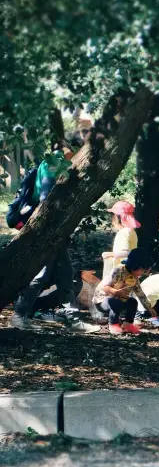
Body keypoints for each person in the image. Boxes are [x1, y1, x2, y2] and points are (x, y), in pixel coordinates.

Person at [11, 140, 80, 331]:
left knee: (65, 272)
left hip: (54, 230)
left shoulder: (61, 163)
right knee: (41, 273)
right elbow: (45, 198)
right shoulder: (54, 161)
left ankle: (72, 318)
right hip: (46, 230)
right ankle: (19, 315)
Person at [93, 248, 158, 335]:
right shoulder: (118, 271)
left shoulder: (134, 278)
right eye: (142, 271)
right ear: (135, 267)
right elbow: (105, 287)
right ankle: (113, 324)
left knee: (133, 302)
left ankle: (128, 324)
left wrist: (149, 308)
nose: (142, 274)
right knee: (114, 302)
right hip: (102, 301)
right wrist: (115, 292)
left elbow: (140, 294)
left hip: (120, 300)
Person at [102, 201, 140, 269]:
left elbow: (125, 253)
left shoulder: (123, 233)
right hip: (131, 268)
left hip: (122, 270)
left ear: (115, 218)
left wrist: (107, 254)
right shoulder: (131, 231)